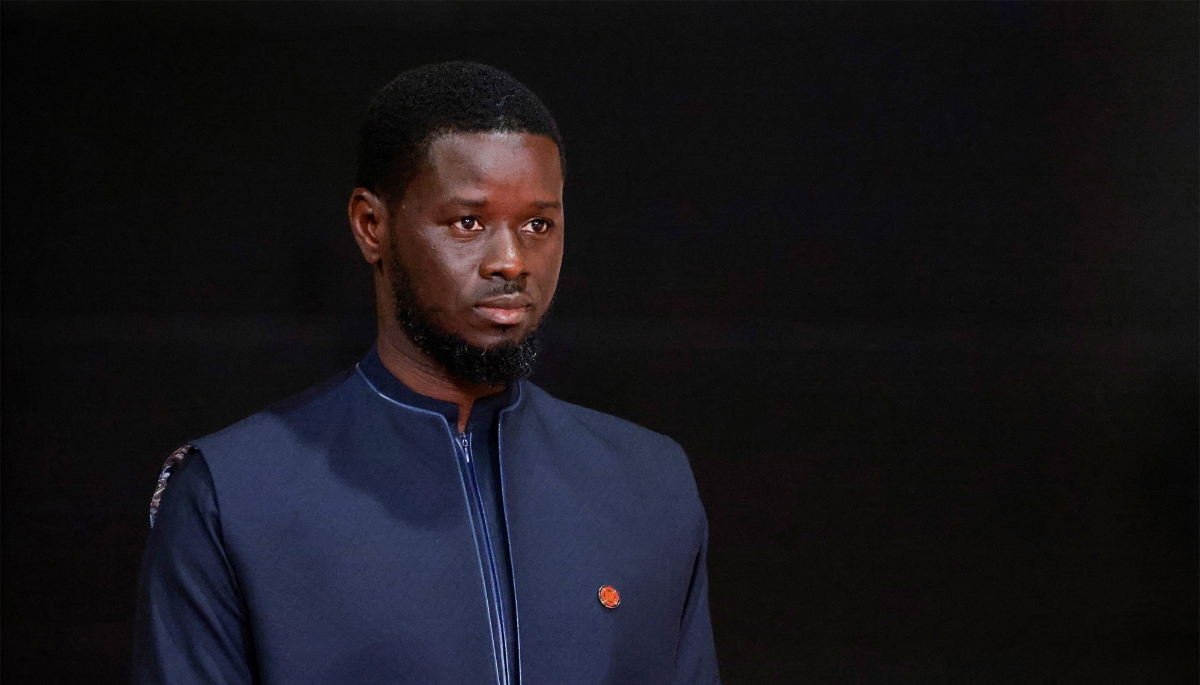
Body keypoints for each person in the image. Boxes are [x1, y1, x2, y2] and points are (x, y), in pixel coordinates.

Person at [133, 61, 719, 685]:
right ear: (372, 226)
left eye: (538, 224)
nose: (512, 261)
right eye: (468, 222)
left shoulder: (650, 486)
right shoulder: (232, 495)